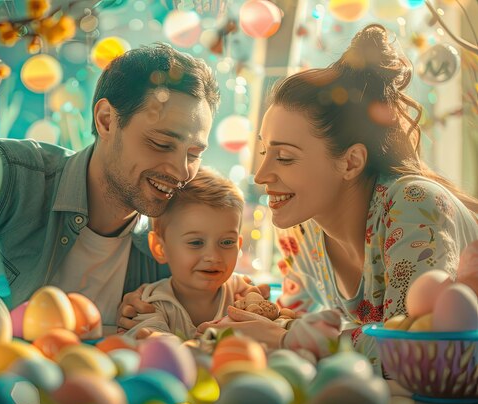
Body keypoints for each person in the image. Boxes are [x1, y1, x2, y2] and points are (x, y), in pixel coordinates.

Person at [199, 24, 478, 368]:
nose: (261, 175)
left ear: (351, 162)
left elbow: (415, 348)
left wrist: (286, 336)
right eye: (263, 152)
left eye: (285, 157)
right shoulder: (299, 227)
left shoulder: (413, 204)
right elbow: (296, 321)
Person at [0, 43, 222, 326]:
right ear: (106, 120)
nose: (182, 171)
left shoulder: (166, 246)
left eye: (194, 154)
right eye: (162, 143)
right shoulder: (3, 176)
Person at [124, 167, 262, 340]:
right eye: (196, 243)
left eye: (227, 242)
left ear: (239, 245)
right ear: (160, 248)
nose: (213, 256)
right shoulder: (152, 302)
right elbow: (154, 344)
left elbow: (267, 333)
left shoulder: (242, 293)